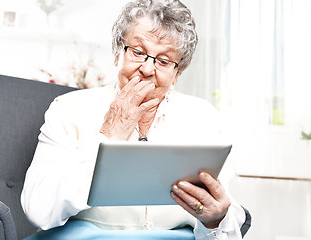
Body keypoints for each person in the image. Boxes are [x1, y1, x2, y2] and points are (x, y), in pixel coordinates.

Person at [21, 0, 251, 239]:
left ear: (177, 74)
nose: (148, 69)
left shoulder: (203, 117)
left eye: (164, 61)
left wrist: (215, 219)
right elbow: (38, 208)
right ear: (117, 53)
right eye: (138, 52)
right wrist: (111, 135)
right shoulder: (67, 108)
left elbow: (227, 219)